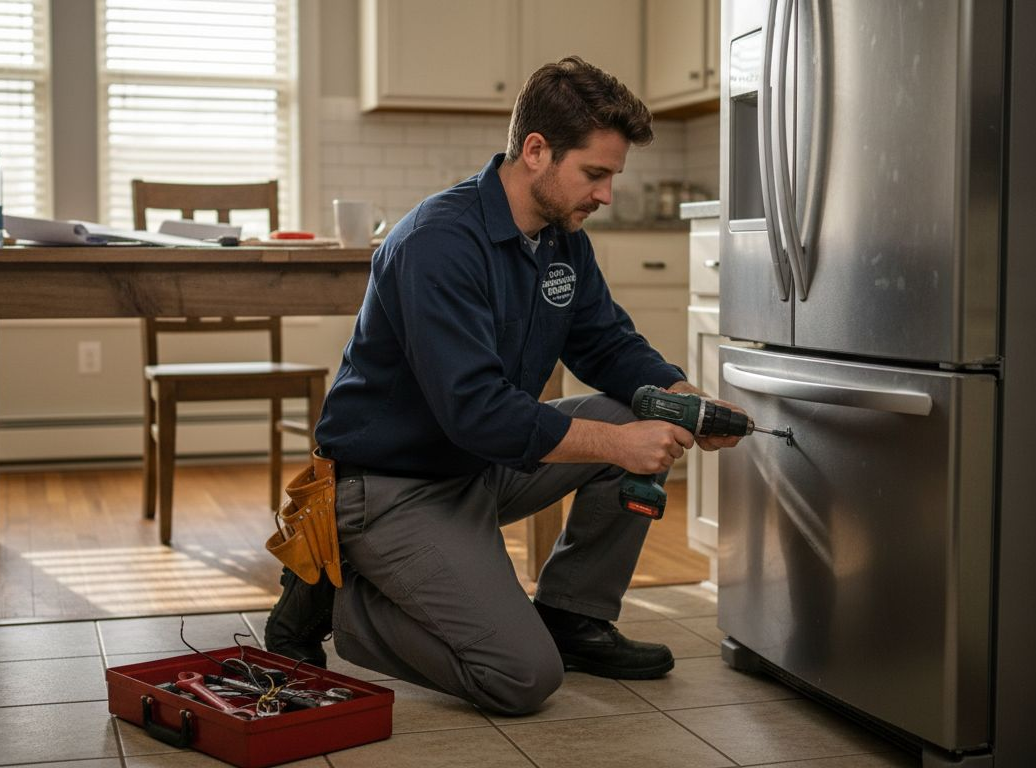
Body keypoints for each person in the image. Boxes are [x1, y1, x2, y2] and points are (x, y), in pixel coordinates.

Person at [265, 56, 746, 716]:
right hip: (390, 488)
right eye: (595, 173)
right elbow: (479, 413)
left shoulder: (561, 236)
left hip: (476, 469)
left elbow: (605, 343)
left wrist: (683, 398)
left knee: (628, 410)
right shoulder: (438, 243)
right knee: (519, 677)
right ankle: (339, 598)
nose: (606, 194)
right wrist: (620, 442)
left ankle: (573, 618)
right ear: (536, 150)